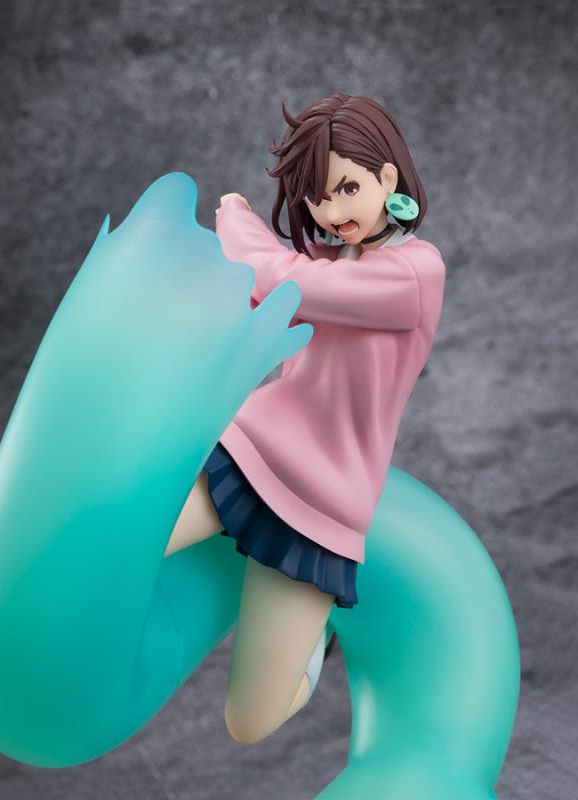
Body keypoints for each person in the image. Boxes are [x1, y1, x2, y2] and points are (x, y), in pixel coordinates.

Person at [164, 92, 446, 745]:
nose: (331, 213)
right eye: (317, 199)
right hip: (251, 451)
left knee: (249, 722)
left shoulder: (413, 273)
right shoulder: (336, 258)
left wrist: (233, 213)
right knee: (129, 540)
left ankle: (315, 647)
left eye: (347, 188)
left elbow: (280, 280)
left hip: (323, 505)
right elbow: (277, 278)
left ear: (388, 177)